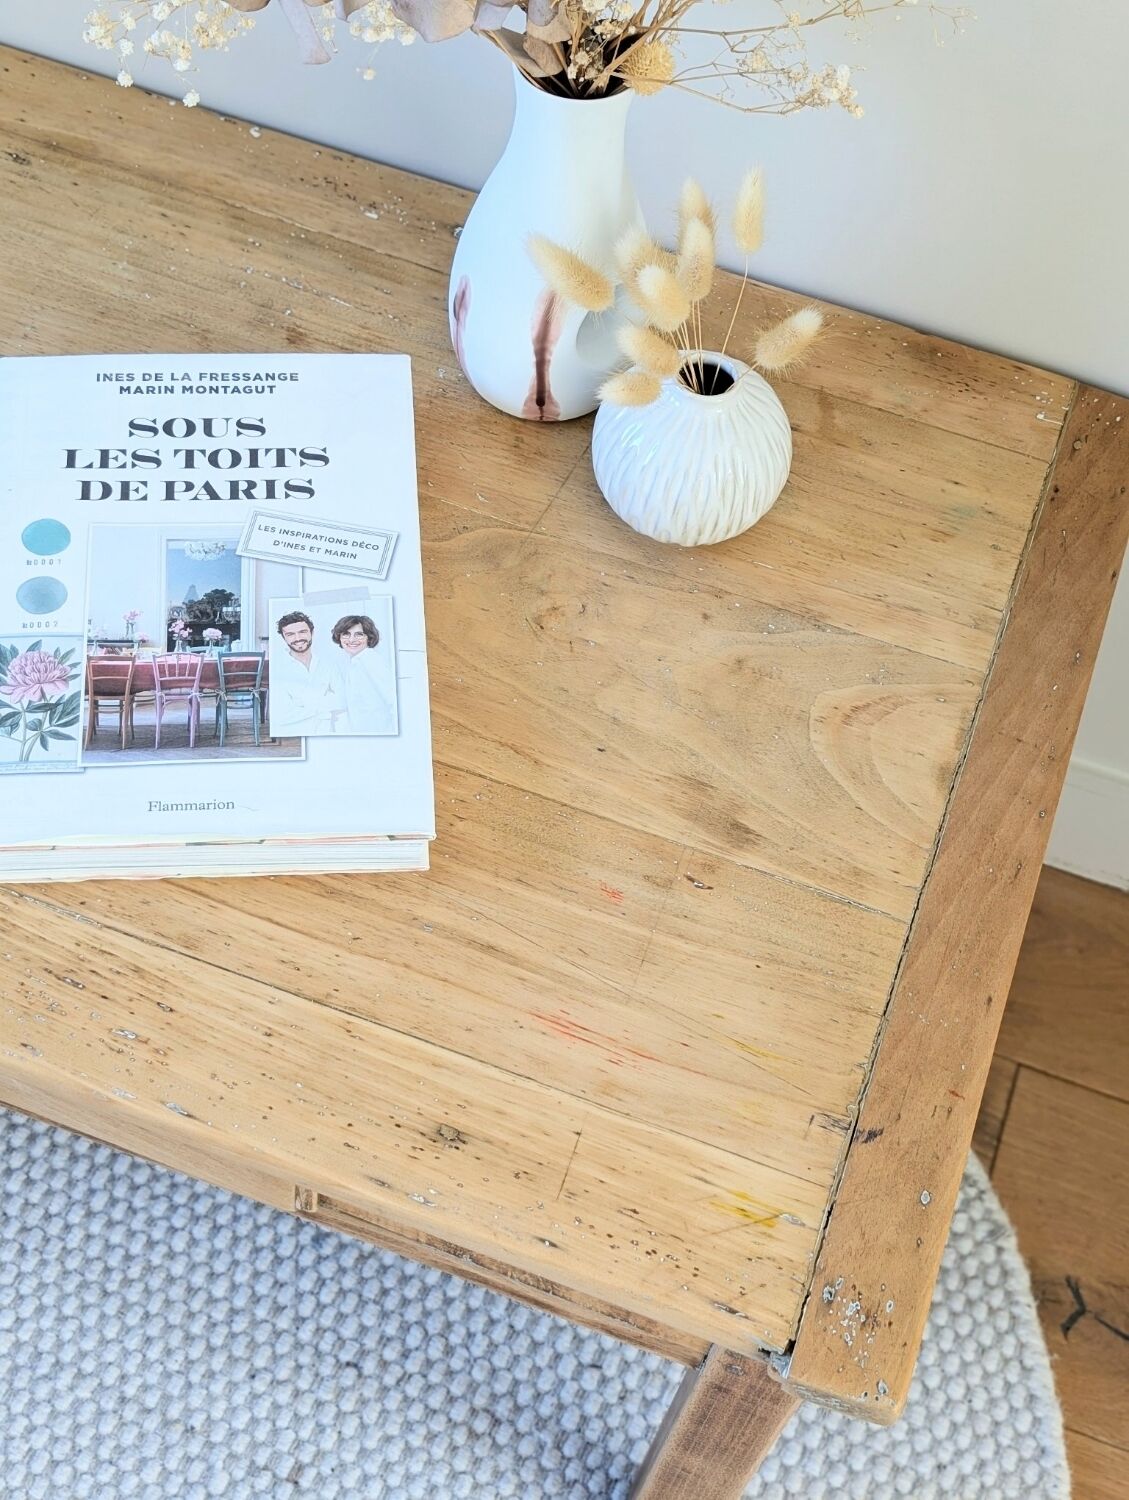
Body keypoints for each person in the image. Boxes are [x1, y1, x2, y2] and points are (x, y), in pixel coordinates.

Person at [271, 610, 343, 736]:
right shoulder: (277, 668)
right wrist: (326, 708)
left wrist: (301, 704)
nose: (297, 638)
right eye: (290, 634)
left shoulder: (328, 664)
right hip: (293, 738)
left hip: (326, 733)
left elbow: (342, 699)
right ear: (284, 638)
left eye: (302, 632)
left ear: (312, 633)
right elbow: (281, 715)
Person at [330, 614, 397, 735]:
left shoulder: (371, 660)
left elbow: (393, 698)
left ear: (369, 637)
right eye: (346, 634)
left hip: (380, 733)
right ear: (339, 637)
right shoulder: (355, 662)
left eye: (359, 634)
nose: (351, 640)